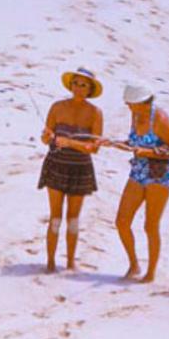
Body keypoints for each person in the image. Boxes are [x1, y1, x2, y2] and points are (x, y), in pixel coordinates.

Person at [105, 81, 169, 283]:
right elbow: (133, 143)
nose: (128, 107)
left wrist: (147, 152)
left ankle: (151, 272)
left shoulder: (161, 119)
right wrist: (114, 143)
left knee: (150, 225)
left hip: (159, 174)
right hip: (138, 171)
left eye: (131, 103)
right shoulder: (135, 116)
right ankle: (134, 264)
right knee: (122, 221)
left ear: (141, 102)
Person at [38, 66, 104, 272]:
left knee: (73, 218)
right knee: (55, 216)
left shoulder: (95, 113)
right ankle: (50, 261)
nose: (78, 87)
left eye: (83, 85)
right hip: (56, 164)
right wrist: (47, 137)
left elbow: (94, 147)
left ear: (89, 89)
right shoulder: (57, 107)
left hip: (79, 168)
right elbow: (45, 137)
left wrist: (69, 143)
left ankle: (70, 261)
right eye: (76, 83)